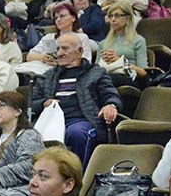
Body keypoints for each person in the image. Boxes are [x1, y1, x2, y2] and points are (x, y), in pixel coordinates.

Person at [32, 33, 121, 162]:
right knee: (30, 136)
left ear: (80, 51)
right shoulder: (47, 76)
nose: (59, 53)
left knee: (76, 133)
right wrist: (44, 103)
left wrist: (110, 105)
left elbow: (110, 94)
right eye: (58, 49)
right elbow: (32, 103)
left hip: (81, 119)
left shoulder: (96, 73)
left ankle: (78, 173)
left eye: (65, 48)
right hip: (52, 121)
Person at [25, 2, 95, 67]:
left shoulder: (81, 38)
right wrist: (42, 57)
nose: (58, 20)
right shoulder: (49, 37)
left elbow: (86, 62)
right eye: (56, 18)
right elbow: (29, 56)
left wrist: (60, 63)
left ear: (73, 18)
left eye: (62, 16)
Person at [98, 0, 149, 88]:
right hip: (106, 76)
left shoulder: (138, 40)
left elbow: (144, 72)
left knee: (107, 80)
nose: (113, 19)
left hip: (129, 78)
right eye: (110, 16)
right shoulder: (103, 43)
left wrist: (120, 62)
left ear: (128, 18)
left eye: (117, 16)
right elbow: (96, 70)